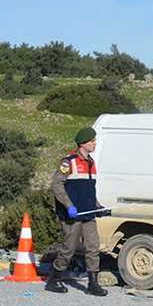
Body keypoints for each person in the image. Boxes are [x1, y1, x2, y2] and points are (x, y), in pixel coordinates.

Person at [45, 127, 109, 296]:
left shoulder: (92, 163)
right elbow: (57, 186)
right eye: (92, 141)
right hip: (71, 215)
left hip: (87, 213)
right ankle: (54, 279)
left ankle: (92, 284)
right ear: (83, 143)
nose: (95, 143)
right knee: (69, 248)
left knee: (93, 247)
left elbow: (89, 190)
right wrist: (68, 206)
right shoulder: (68, 162)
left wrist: (98, 206)